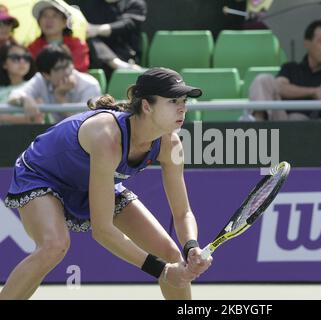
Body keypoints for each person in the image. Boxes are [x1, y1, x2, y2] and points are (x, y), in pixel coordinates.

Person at [0, 67, 213, 300]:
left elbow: (182, 213)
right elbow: (102, 231)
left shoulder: (170, 145)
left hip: (94, 179)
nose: (182, 107)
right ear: (146, 105)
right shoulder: (108, 138)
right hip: (42, 175)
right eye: (173, 100)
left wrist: (191, 247)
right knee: (54, 245)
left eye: (184, 100)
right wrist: (161, 271)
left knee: (172, 254)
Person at [249, 20, 321, 121]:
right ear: (307, 44)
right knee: (263, 79)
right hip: (280, 121)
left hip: (315, 130)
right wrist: (315, 92)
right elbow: (279, 87)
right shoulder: (291, 68)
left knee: (297, 118)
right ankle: (258, 125)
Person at [8, 44, 100, 124]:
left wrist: (60, 98)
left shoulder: (90, 85)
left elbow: (84, 125)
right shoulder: (40, 79)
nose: (67, 72)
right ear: (46, 75)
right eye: (59, 68)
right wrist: (25, 99)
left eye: (68, 65)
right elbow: (15, 94)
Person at [79, 0, 146, 78]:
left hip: (125, 57)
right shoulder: (91, 4)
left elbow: (127, 24)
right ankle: (115, 63)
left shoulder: (134, 3)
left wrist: (97, 30)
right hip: (95, 57)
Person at [28, 0, 90, 73]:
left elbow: (80, 70)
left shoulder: (78, 45)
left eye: (55, 16)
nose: (49, 20)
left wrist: (68, 58)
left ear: (64, 22)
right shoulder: (32, 48)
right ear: (39, 22)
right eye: (44, 16)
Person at [0, 43, 40, 124]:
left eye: (26, 57)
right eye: (15, 58)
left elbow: (36, 119)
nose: (22, 61)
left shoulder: (36, 84)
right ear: (4, 64)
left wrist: (3, 118)